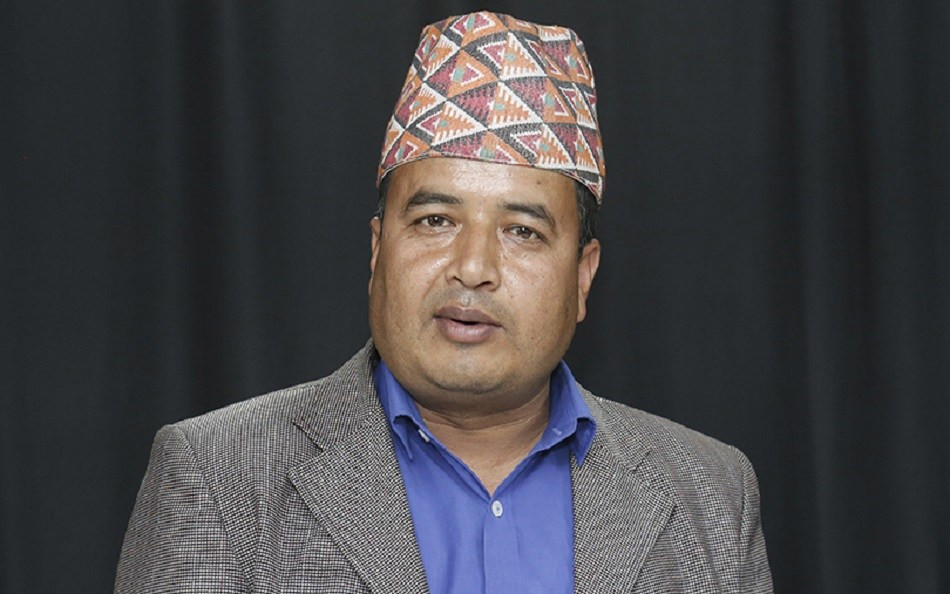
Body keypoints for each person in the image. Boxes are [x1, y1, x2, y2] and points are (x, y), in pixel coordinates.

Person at [116, 11, 772, 593]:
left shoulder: (710, 493)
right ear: (378, 250)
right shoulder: (218, 475)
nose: (473, 268)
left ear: (582, 276)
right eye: (435, 221)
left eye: (523, 231)